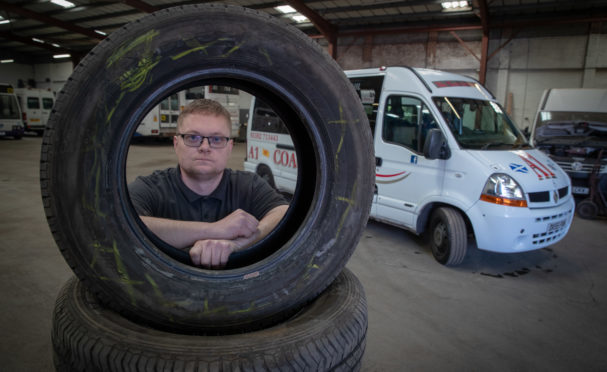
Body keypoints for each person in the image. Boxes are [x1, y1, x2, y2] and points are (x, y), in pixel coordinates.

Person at [129, 99, 289, 269]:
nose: (205, 147)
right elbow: (120, 222)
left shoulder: (249, 185)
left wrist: (240, 244)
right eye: (193, 137)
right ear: (176, 144)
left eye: (217, 139)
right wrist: (215, 230)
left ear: (229, 147)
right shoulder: (150, 188)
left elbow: (282, 212)